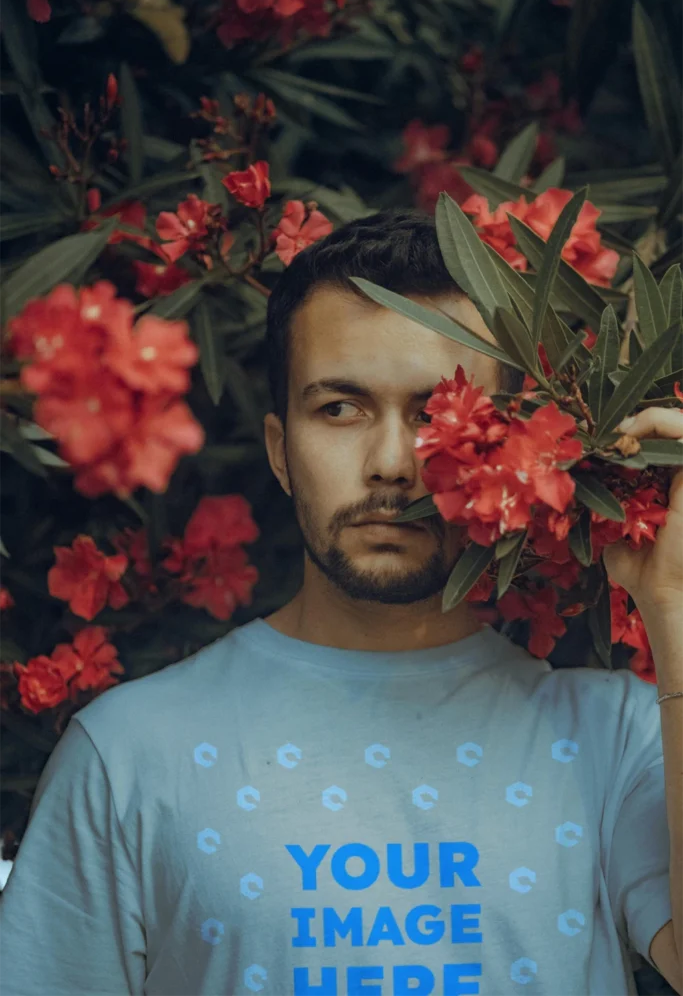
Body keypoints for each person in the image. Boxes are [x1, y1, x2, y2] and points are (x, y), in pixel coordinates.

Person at [0, 209, 672, 995]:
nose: (390, 464)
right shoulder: (128, 755)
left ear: (513, 444)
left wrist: (675, 603)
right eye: (339, 409)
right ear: (281, 453)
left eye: (434, 413)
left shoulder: (618, 740)